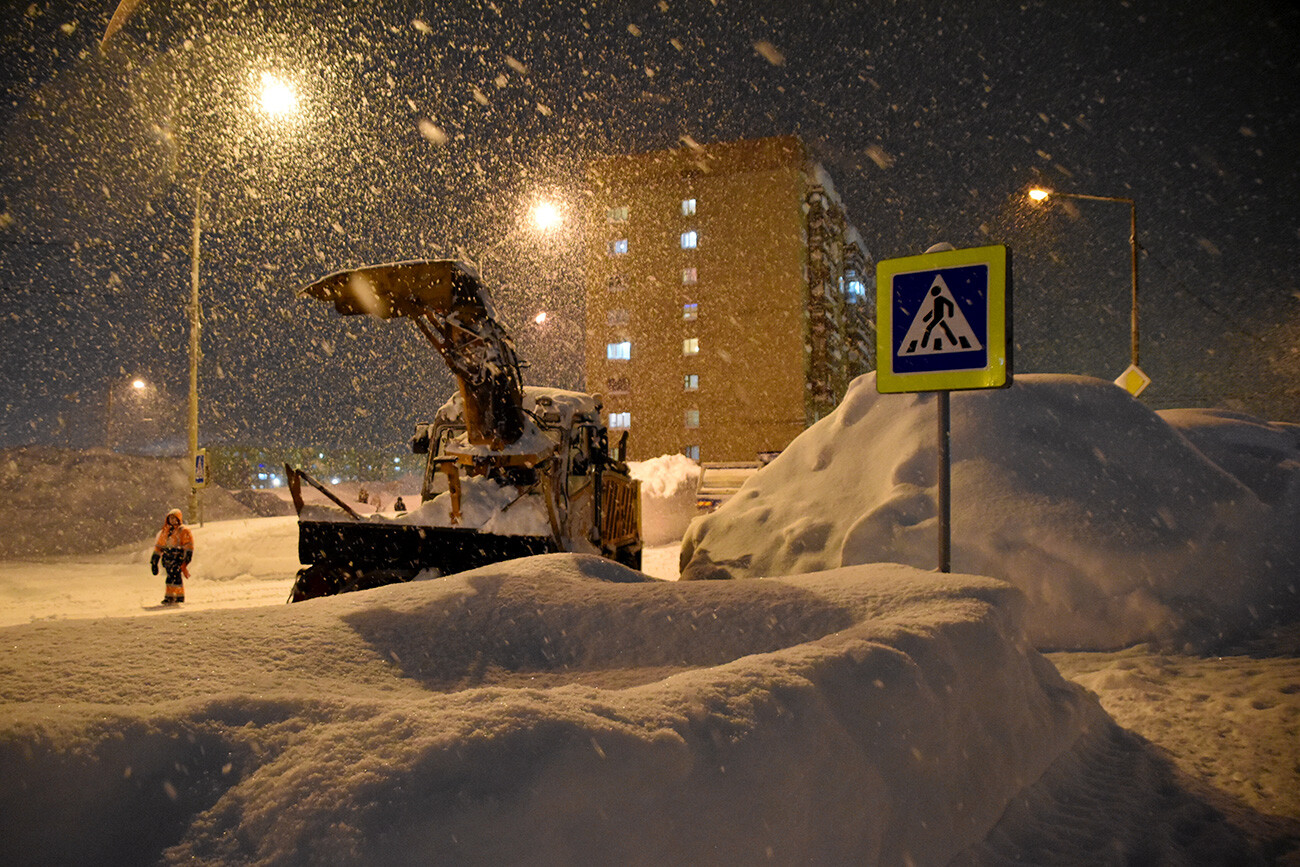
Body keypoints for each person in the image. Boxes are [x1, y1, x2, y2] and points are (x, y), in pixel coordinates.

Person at [150, 508, 194, 604]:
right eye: (170, 518)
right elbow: (159, 546)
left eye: (174, 518)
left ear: (178, 519)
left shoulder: (184, 531)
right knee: (170, 577)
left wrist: (186, 559)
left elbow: (189, 546)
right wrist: (154, 560)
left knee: (176, 577)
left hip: (178, 557)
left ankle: (179, 597)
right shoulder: (165, 531)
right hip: (167, 558)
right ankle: (170, 596)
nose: (172, 520)